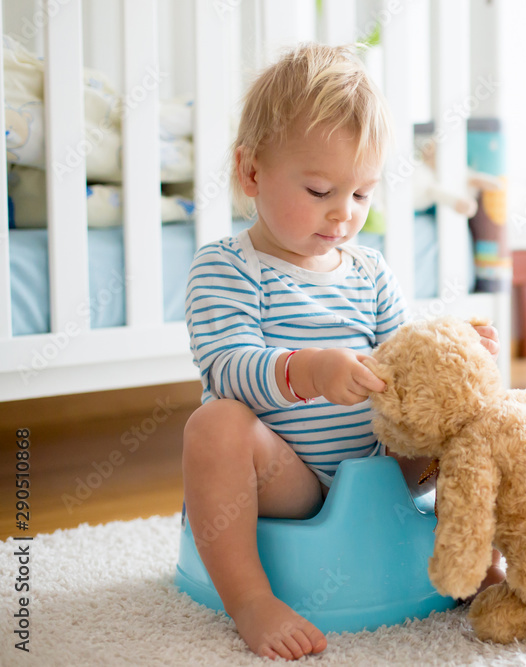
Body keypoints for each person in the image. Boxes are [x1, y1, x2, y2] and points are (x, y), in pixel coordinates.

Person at [182, 43, 502, 660]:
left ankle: (473, 562)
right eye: (320, 189)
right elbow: (228, 365)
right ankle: (251, 598)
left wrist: (454, 354)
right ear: (251, 173)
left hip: (383, 468)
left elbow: (405, 361)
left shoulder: (369, 271)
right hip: (288, 478)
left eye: (361, 195)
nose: (342, 214)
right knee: (214, 427)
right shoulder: (227, 267)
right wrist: (308, 371)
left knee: (473, 416)